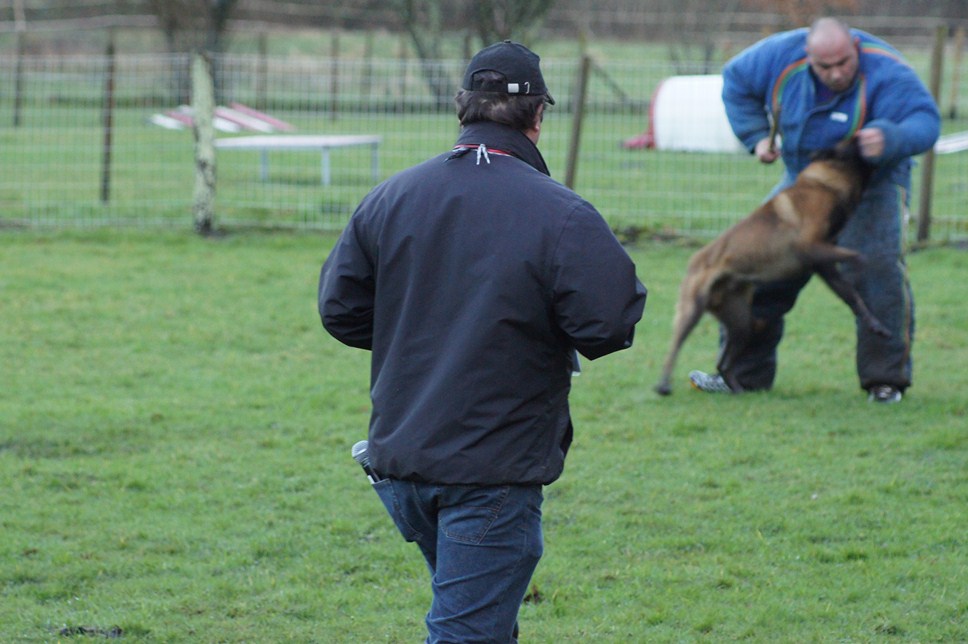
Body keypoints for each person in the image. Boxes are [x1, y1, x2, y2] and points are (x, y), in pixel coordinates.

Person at [318, 40, 647, 642]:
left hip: (402, 462)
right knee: (469, 634)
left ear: (462, 109)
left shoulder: (390, 198)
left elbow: (340, 310)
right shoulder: (561, 213)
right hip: (489, 474)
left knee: (483, 624)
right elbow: (610, 323)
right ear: (538, 118)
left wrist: (426, 331)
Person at [688, 17, 940, 403]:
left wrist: (891, 136)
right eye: (826, 67)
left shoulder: (888, 71)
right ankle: (741, 376)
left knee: (874, 269)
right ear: (808, 57)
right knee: (757, 265)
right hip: (804, 182)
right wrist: (755, 137)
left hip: (871, 187)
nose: (837, 73)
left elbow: (926, 121)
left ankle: (885, 382)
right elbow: (735, 82)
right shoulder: (776, 58)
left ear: (855, 49)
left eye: (844, 63)